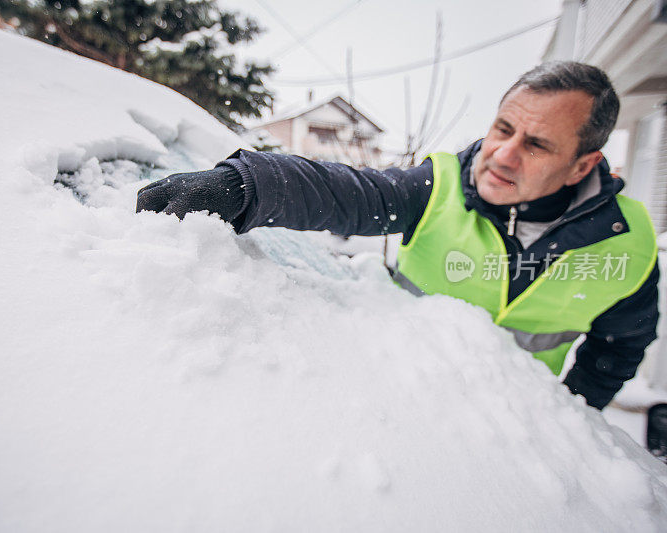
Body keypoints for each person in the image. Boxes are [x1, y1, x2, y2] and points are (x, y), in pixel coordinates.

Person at [136, 61, 660, 410]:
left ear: (581, 165)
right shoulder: (439, 186)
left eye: (537, 144)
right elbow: (350, 193)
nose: (502, 154)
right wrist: (245, 188)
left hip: (511, 434)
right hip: (400, 403)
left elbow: (619, 347)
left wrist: (570, 419)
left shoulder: (630, 244)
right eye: (503, 128)